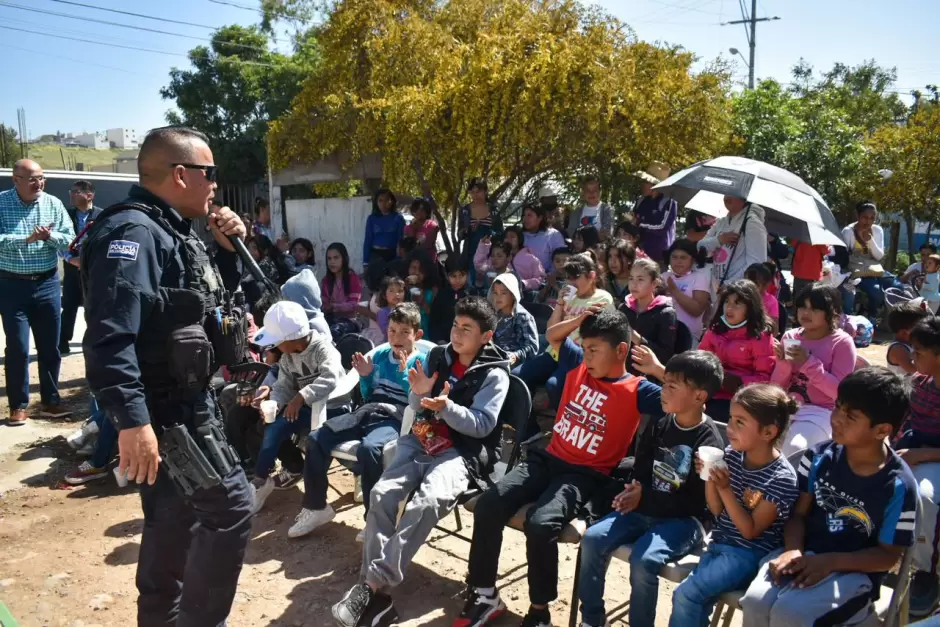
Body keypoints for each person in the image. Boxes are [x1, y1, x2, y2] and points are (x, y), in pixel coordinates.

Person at [80, 127, 252, 625]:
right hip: (167, 412)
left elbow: (196, 308)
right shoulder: (133, 233)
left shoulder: (171, 228)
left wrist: (223, 250)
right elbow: (110, 338)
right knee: (229, 510)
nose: (215, 186)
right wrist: (132, 422)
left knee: (171, 519)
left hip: (187, 401)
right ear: (181, 174)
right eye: (210, 173)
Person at [456, 308, 663, 627]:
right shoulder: (577, 363)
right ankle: (484, 594)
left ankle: (539, 611)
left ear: (621, 350)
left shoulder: (637, 389)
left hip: (585, 474)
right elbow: (553, 335)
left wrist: (658, 369)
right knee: (489, 504)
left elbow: (688, 401)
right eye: (586, 346)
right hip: (547, 459)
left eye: (595, 349)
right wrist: (579, 322)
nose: (588, 355)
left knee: (541, 524)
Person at [332, 296, 510, 627]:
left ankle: (370, 585)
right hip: (421, 438)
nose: (457, 335)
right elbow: (417, 400)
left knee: (427, 503)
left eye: (467, 329)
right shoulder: (439, 355)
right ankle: (379, 598)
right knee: (382, 494)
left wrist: (447, 407)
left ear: (486, 337)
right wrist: (420, 393)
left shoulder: (494, 374)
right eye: (456, 325)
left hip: (461, 452)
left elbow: (483, 424)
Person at [740, 368, 918, 627]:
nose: (836, 419)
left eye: (850, 417)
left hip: (854, 575)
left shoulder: (899, 485)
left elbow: (888, 556)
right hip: (804, 557)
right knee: (756, 601)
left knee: (790, 614)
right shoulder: (818, 458)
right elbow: (798, 515)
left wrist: (830, 562)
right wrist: (793, 551)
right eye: (837, 408)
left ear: (882, 430)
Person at [575, 351, 724, 627]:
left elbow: (696, 504)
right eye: (663, 383)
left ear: (699, 397)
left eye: (671, 386)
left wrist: (644, 498)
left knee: (644, 560)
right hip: (645, 506)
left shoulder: (708, 442)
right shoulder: (662, 420)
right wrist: (635, 489)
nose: (663, 391)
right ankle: (591, 619)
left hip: (685, 520)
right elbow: (642, 465)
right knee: (593, 539)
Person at [288, 303, 425, 538]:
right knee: (316, 438)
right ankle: (316, 506)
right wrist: (365, 376)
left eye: (405, 332)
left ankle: (373, 518)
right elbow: (367, 394)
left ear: (417, 335)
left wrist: (405, 374)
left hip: (395, 417)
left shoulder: (420, 361)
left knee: (370, 449)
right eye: (392, 330)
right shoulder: (381, 354)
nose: (397, 337)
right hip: (367, 411)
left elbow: (416, 401)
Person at [669, 384, 800, 627]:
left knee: (685, 595)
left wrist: (726, 488)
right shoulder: (732, 455)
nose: (730, 428)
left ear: (768, 432)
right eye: (731, 419)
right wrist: (709, 477)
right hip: (719, 543)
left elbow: (750, 532)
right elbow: (718, 511)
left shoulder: (781, 478)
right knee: (696, 603)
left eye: (740, 422)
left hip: (747, 555)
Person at [248, 301, 345, 512]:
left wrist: (301, 396)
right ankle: (260, 479)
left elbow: (331, 377)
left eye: (277, 342)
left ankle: (266, 481)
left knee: (290, 431)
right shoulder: (288, 357)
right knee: (272, 426)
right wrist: (274, 400)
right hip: (307, 410)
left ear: (291, 339)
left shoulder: (322, 348)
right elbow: (283, 385)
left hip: (334, 408)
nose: (275, 348)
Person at [0, 159, 76, 424]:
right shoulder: (2, 203)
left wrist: (49, 238)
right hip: (11, 285)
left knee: (50, 347)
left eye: (41, 178)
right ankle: (18, 405)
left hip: (47, 284)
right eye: (32, 178)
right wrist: (26, 239)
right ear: (16, 180)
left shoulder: (52, 204)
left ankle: (51, 401)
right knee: (18, 347)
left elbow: (70, 238)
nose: (38, 183)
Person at [772, 283, 857, 456]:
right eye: (802, 306)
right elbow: (776, 387)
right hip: (785, 407)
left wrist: (808, 362)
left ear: (831, 312)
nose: (805, 313)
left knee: (795, 449)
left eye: (815, 308)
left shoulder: (841, 343)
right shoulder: (790, 337)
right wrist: (782, 364)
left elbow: (840, 393)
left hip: (822, 411)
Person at [895, 317, 940, 615]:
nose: (913, 356)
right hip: (911, 451)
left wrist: (920, 456)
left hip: (932, 458)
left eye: (920, 350)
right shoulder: (921, 383)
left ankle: (926, 573)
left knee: (924, 496)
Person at [699, 280, 776, 422]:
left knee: (713, 416)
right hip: (710, 390)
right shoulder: (715, 329)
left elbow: (765, 378)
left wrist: (738, 382)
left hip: (742, 398)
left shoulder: (760, 336)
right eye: (727, 302)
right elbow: (701, 359)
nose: (729, 308)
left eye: (737, 303)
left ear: (750, 307)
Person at [60, 179, 102, 355]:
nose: (72, 194)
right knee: (68, 306)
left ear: (89, 195)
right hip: (71, 269)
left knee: (93, 307)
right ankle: (62, 342)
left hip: (93, 271)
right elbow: (59, 241)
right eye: (72, 191)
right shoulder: (65, 215)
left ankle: (94, 342)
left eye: (76, 191)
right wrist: (70, 259)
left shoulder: (101, 216)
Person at [620, 258, 679, 378]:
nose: (633, 284)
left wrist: (637, 338)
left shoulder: (666, 313)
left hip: (647, 378)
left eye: (640, 279)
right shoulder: (624, 308)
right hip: (620, 372)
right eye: (631, 278)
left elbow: (664, 355)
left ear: (654, 283)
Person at [698, 195, 768, 290]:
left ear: (745, 197)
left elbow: (755, 264)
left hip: (738, 291)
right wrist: (719, 240)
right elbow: (700, 248)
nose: (727, 197)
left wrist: (729, 285)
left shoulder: (753, 223)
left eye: (733, 193)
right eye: (726, 192)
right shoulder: (720, 222)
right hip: (716, 289)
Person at [840, 200, 895, 321]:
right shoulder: (848, 231)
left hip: (874, 268)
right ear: (858, 216)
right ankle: (871, 316)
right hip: (856, 270)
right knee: (876, 291)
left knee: (896, 286)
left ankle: (889, 321)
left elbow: (879, 256)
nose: (868, 221)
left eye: (872, 218)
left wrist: (870, 240)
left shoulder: (877, 230)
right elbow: (844, 256)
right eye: (865, 217)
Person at [662, 239, 711, 345]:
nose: (678, 261)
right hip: (663, 335)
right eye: (674, 257)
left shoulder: (700, 277)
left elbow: (697, 310)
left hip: (689, 338)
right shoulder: (663, 277)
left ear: (692, 260)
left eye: (683, 257)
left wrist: (674, 290)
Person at [488, 273, 538, 369]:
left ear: (512, 294)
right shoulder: (492, 313)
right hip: (494, 358)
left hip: (515, 362)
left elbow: (532, 347)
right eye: (495, 293)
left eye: (503, 293)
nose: (498, 297)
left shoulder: (523, 317)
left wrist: (516, 355)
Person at [459, 178, 503, 286]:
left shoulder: (493, 210)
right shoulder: (465, 211)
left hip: (490, 257)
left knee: (489, 287)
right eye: (472, 192)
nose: (475, 195)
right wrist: (467, 231)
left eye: (478, 191)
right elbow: (459, 235)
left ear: (485, 191)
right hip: (470, 255)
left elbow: (501, 233)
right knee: (472, 287)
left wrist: (488, 233)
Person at [632, 162, 677, 266]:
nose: (642, 184)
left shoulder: (668, 202)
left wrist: (640, 224)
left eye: (646, 181)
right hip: (640, 255)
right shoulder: (641, 201)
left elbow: (662, 227)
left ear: (656, 185)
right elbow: (635, 223)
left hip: (660, 258)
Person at [430, 256, 476, 344]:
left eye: (462, 275)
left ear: (467, 274)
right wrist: (439, 339)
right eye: (453, 276)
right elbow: (434, 320)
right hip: (444, 341)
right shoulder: (442, 294)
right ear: (447, 276)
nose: (458, 280)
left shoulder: (472, 294)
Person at [322, 242, 364, 338]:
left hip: (350, 320)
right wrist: (325, 307)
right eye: (329, 258)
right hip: (332, 318)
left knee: (335, 331)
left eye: (336, 258)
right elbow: (324, 303)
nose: (332, 262)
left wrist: (334, 306)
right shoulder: (326, 281)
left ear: (344, 259)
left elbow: (354, 305)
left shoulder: (353, 278)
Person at [363, 188, 405, 272]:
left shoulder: (398, 218)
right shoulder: (372, 219)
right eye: (380, 200)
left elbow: (400, 240)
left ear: (392, 201)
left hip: (392, 256)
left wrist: (399, 258)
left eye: (387, 200)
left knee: (392, 283)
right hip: (375, 255)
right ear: (376, 202)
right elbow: (368, 240)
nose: (383, 203)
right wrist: (365, 262)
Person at [885, 301, 930, 376]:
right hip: (901, 386)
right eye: (919, 327)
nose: (922, 330)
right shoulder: (898, 349)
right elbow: (914, 370)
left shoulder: (910, 343)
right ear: (904, 332)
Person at [521, 203, 566, 270]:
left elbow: (562, 258)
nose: (525, 218)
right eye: (524, 215)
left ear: (540, 218)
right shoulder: (519, 235)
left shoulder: (553, 235)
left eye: (529, 215)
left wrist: (550, 276)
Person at [567, 175, 613, 241]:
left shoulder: (607, 210)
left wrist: (582, 238)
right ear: (583, 193)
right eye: (588, 190)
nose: (591, 193)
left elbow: (607, 234)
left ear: (600, 192)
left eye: (594, 190)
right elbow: (571, 234)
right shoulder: (576, 212)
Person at [406, 248, 439, 337]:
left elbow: (434, 315)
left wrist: (421, 300)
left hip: (426, 329)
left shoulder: (432, 290)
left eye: (420, 270)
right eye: (413, 268)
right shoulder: (404, 286)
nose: (416, 272)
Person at [745, 262, 781, 332]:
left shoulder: (771, 301)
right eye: (746, 282)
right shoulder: (738, 297)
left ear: (766, 285)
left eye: (755, 284)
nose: (749, 287)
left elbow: (775, 331)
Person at [403, 197, 439, 261]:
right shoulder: (407, 228)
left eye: (422, 210)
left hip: (428, 260)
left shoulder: (432, 225)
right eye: (416, 209)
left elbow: (429, 244)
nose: (419, 212)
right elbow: (408, 246)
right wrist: (413, 229)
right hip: (413, 261)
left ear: (427, 212)